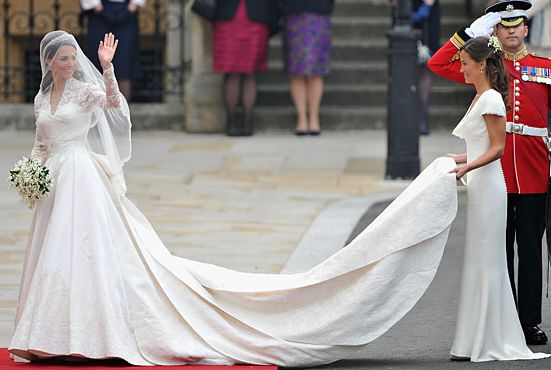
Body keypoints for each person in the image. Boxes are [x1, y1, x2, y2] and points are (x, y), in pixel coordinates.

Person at [6, 30, 481, 366]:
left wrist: (108, 69)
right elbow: (41, 142)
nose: (68, 63)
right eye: (61, 59)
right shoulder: (42, 99)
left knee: (90, 252)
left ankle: (93, 330)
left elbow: (113, 107)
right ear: (49, 63)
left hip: (85, 180)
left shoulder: (89, 90)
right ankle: (49, 332)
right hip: (55, 181)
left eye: (72, 57)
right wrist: (31, 173)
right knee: (54, 255)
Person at [428, 0, 551, 346]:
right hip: (495, 171)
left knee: (529, 249)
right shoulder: (487, 68)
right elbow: (438, 63)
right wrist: (467, 33)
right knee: (500, 248)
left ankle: (529, 322)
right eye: (504, 26)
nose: (511, 31)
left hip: (532, 168)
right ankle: (506, 317)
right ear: (495, 32)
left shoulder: (545, 67)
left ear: (526, 29)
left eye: (517, 25)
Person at [212, 0, 278, 137]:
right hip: (229, 20)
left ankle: (247, 120)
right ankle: (231, 121)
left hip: (256, 20)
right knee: (233, 72)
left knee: (250, 72)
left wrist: (273, 20)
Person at [280, 0, 334, 136]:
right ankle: (302, 118)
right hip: (293, 13)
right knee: (296, 69)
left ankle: (314, 117)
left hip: (319, 13)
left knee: (316, 69)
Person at [80, 0, 145, 101]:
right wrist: (98, 8)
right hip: (99, 16)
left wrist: (131, 8)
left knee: (124, 63)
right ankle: (99, 111)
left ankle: (122, 111)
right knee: (97, 61)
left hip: (127, 15)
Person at [411, 0, 440, 135]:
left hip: (427, 14)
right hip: (405, 10)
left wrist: (428, 5)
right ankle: (408, 118)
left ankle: (421, 118)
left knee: (425, 69)